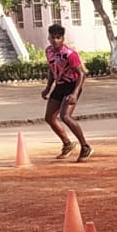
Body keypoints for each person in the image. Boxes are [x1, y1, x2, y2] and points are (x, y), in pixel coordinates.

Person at [41, 23, 93, 162]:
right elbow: (52, 70)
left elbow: (81, 74)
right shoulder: (49, 51)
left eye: (58, 38)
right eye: (52, 38)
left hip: (72, 85)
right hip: (60, 85)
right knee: (49, 117)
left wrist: (75, 93)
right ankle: (67, 144)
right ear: (49, 38)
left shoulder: (70, 54)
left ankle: (85, 146)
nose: (55, 41)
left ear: (63, 39)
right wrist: (48, 87)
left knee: (65, 116)